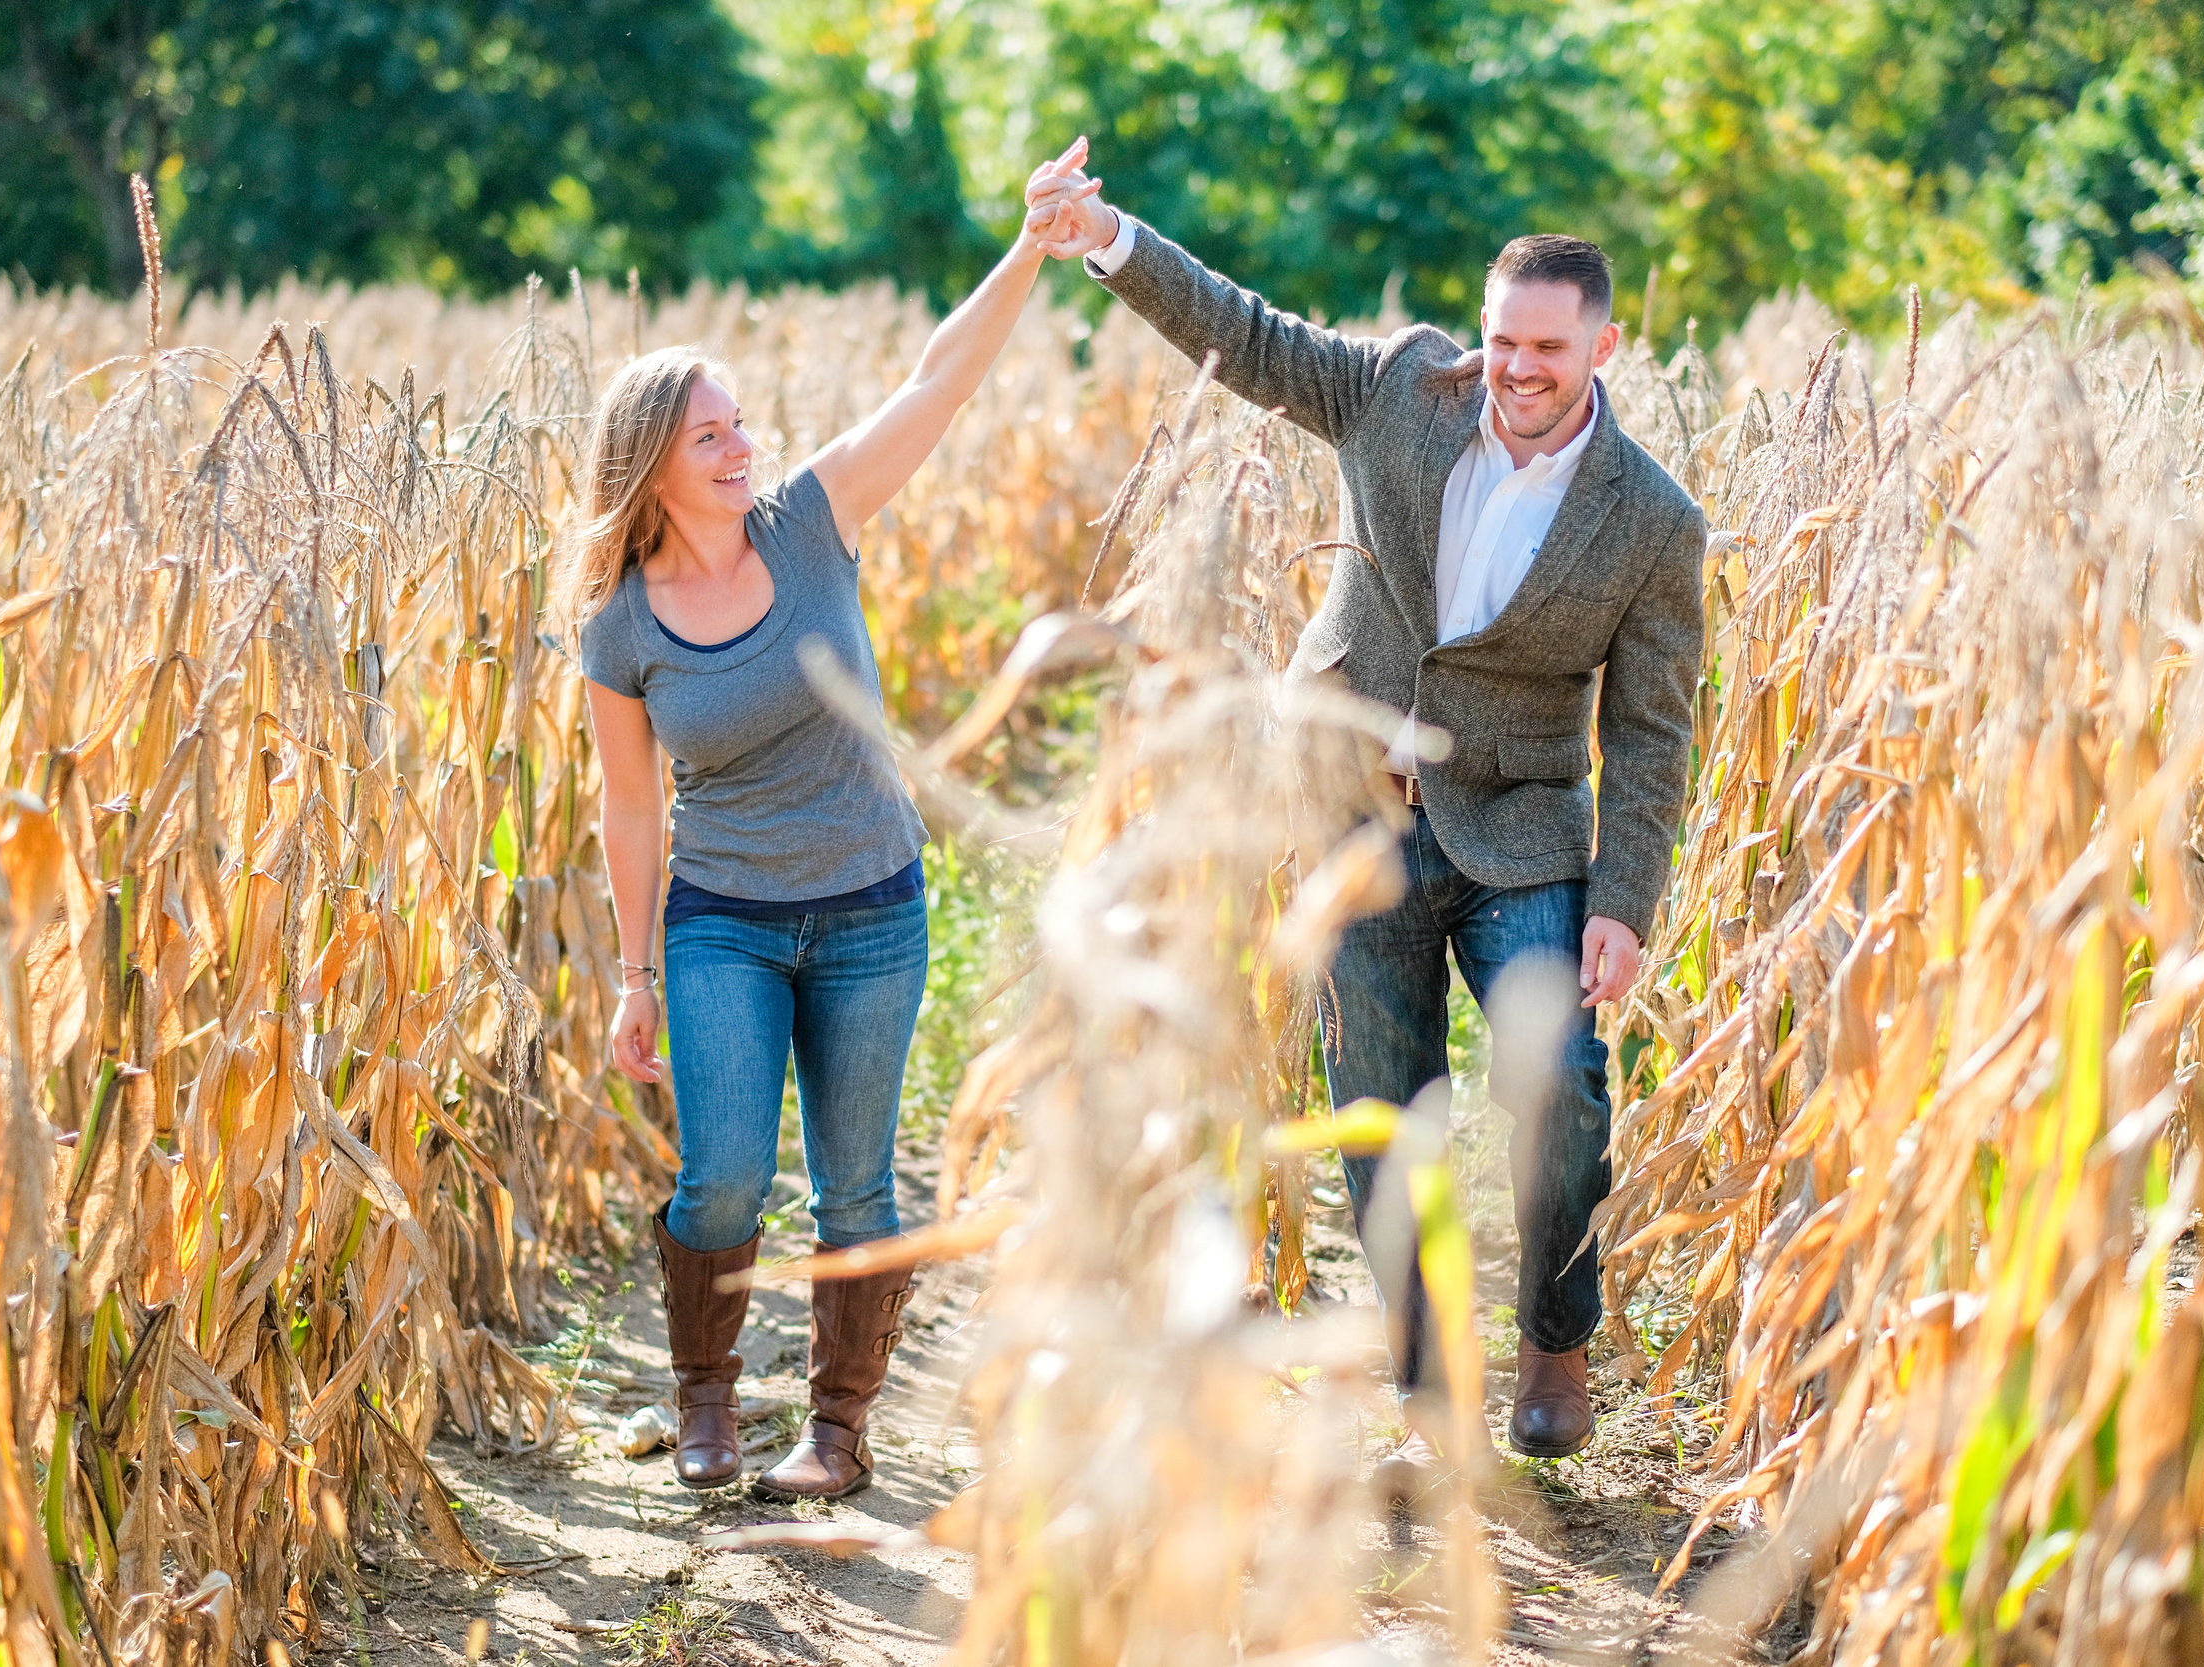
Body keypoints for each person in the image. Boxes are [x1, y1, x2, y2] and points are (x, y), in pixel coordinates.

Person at [1031, 179, 1706, 1465]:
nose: (1514, 368)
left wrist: (1623, 898)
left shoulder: (1653, 519)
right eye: (1501, 338)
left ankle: (1555, 1341)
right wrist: (1109, 242)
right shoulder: (1404, 387)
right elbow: (1252, 336)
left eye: (1547, 349)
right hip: (1355, 817)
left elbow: (1655, 727)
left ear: (1603, 349)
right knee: (1386, 1116)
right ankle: (1429, 1388)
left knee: (1557, 1082)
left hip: (1520, 825)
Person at [551, 143, 1104, 1499]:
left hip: (869, 906)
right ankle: (706, 1402)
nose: (746, 447)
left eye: (743, 424)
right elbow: (631, 803)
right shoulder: (618, 624)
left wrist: (1032, 247)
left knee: (856, 1190)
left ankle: (840, 1426)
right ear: (653, 469)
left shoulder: (809, 522)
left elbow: (936, 382)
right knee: (725, 1176)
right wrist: (633, 971)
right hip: (722, 922)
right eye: (714, 435)